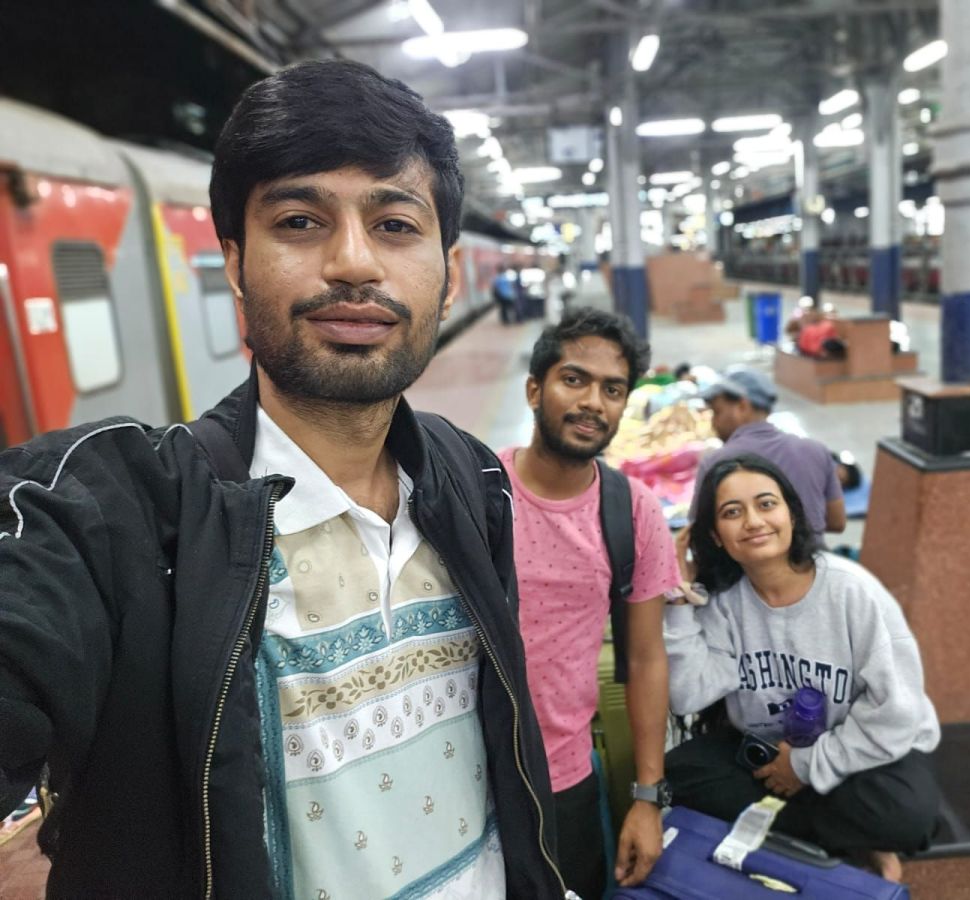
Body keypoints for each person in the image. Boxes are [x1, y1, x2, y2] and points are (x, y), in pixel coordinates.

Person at [0, 60, 567, 899]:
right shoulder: (115, 518)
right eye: (300, 221)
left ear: (449, 276)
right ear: (234, 263)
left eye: (395, 225)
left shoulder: (470, 476)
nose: (353, 263)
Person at [664, 454, 941, 882]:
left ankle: (793, 831)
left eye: (766, 504)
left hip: (857, 754)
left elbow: (897, 712)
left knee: (906, 815)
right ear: (716, 536)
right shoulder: (723, 603)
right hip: (768, 755)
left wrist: (806, 766)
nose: (753, 521)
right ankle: (848, 841)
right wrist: (680, 602)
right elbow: (689, 694)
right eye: (732, 512)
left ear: (792, 515)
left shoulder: (853, 591)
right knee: (682, 772)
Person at [500, 308, 679, 899]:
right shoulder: (478, 490)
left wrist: (648, 798)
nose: (593, 403)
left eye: (613, 389)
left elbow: (646, 659)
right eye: (574, 380)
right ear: (534, 390)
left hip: (563, 779)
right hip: (463, 775)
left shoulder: (633, 512)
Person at [688, 367, 845, 536]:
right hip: (813, 553)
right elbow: (837, 521)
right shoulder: (815, 450)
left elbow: (699, 530)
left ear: (742, 406)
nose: (713, 423)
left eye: (717, 412)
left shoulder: (715, 462)